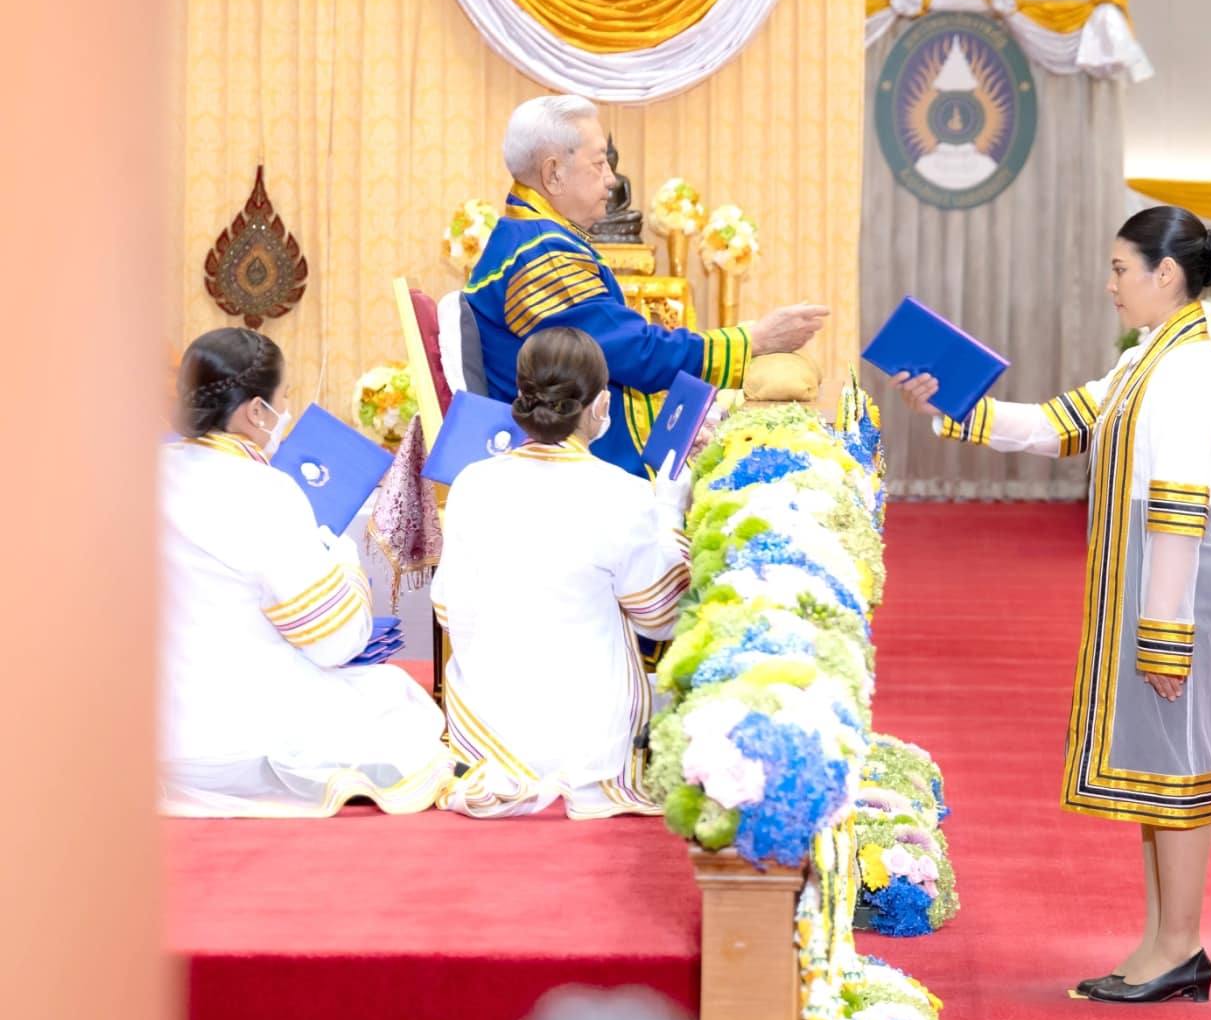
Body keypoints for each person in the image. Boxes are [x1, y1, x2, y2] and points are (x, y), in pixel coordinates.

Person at [890, 206, 1211, 1004]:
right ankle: (1162, 938)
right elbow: (1057, 425)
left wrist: (1164, 631)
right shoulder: (1146, 361)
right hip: (1151, 575)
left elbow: (1179, 506)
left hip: (1174, 583)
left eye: (1121, 268)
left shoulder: (1192, 374)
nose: (1111, 284)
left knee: (1178, 760)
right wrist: (951, 405)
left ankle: (1181, 944)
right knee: (1155, 763)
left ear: (1165, 274)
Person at [160, 328, 455, 816]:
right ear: (257, 411)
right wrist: (344, 560)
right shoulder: (264, 490)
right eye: (284, 398)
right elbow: (335, 643)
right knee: (399, 702)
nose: (287, 410)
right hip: (234, 738)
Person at [463, 94, 828, 475]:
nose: (611, 179)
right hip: (573, 465)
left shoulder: (528, 237)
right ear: (553, 173)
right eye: (599, 163)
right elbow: (634, 353)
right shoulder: (543, 254)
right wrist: (751, 342)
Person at [432, 327, 692, 818]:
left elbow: (449, 611)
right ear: (600, 406)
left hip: (490, 728)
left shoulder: (472, 482)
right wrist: (670, 513)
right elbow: (662, 618)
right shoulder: (621, 492)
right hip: (589, 739)